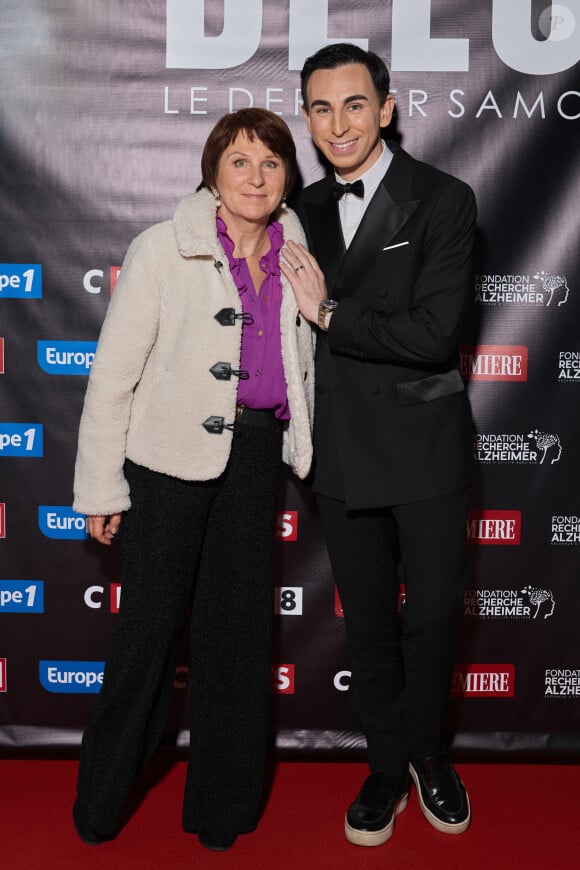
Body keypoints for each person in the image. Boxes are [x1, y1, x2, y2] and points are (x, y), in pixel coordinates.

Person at [72, 108, 314, 853]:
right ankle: (102, 798)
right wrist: (101, 488)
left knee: (237, 637)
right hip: (165, 462)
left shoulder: (297, 248)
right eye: (240, 161)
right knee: (147, 632)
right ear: (212, 170)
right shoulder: (160, 248)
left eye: (271, 164)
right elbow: (112, 377)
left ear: (286, 179)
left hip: (253, 456)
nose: (255, 177)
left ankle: (223, 806)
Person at [280, 43, 476, 847]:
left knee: (430, 619)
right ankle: (387, 766)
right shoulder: (301, 212)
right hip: (342, 449)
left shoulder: (444, 199)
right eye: (320, 108)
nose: (338, 124)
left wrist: (332, 314)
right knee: (367, 622)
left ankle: (431, 756)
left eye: (354, 104)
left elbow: (434, 336)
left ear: (387, 108)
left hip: (425, 448)